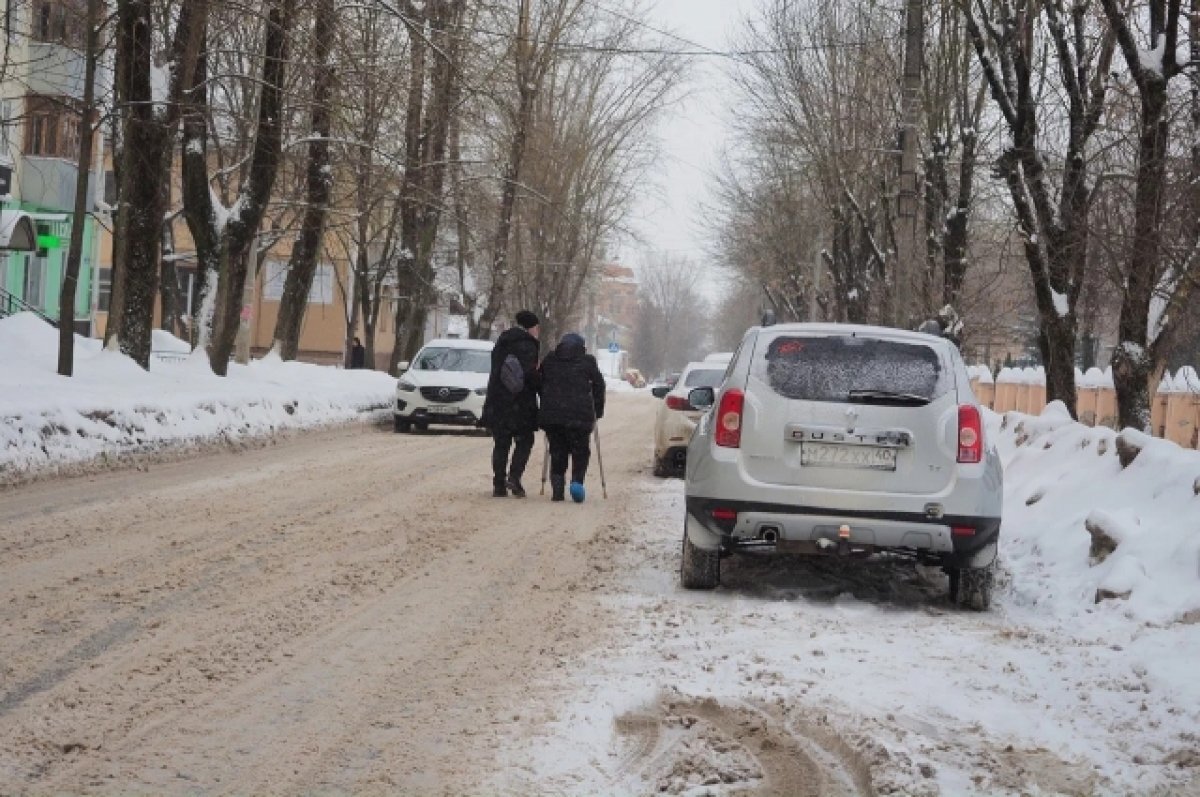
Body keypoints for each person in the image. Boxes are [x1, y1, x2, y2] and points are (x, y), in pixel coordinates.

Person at [538, 332, 605, 503]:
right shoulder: (587, 361)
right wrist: (597, 410)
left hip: (554, 417)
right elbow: (599, 386)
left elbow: (539, 382)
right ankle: (576, 482)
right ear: (582, 347)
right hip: (580, 417)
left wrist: (547, 400)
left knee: (557, 450)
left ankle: (558, 488)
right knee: (580, 451)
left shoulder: (550, 360)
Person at [481, 310, 541, 497]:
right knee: (525, 440)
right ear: (530, 327)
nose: (538, 331)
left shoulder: (502, 342)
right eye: (537, 327)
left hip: (499, 400)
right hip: (522, 402)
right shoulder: (529, 345)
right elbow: (530, 376)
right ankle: (514, 477)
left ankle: (498, 483)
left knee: (501, 442)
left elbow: (495, 371)